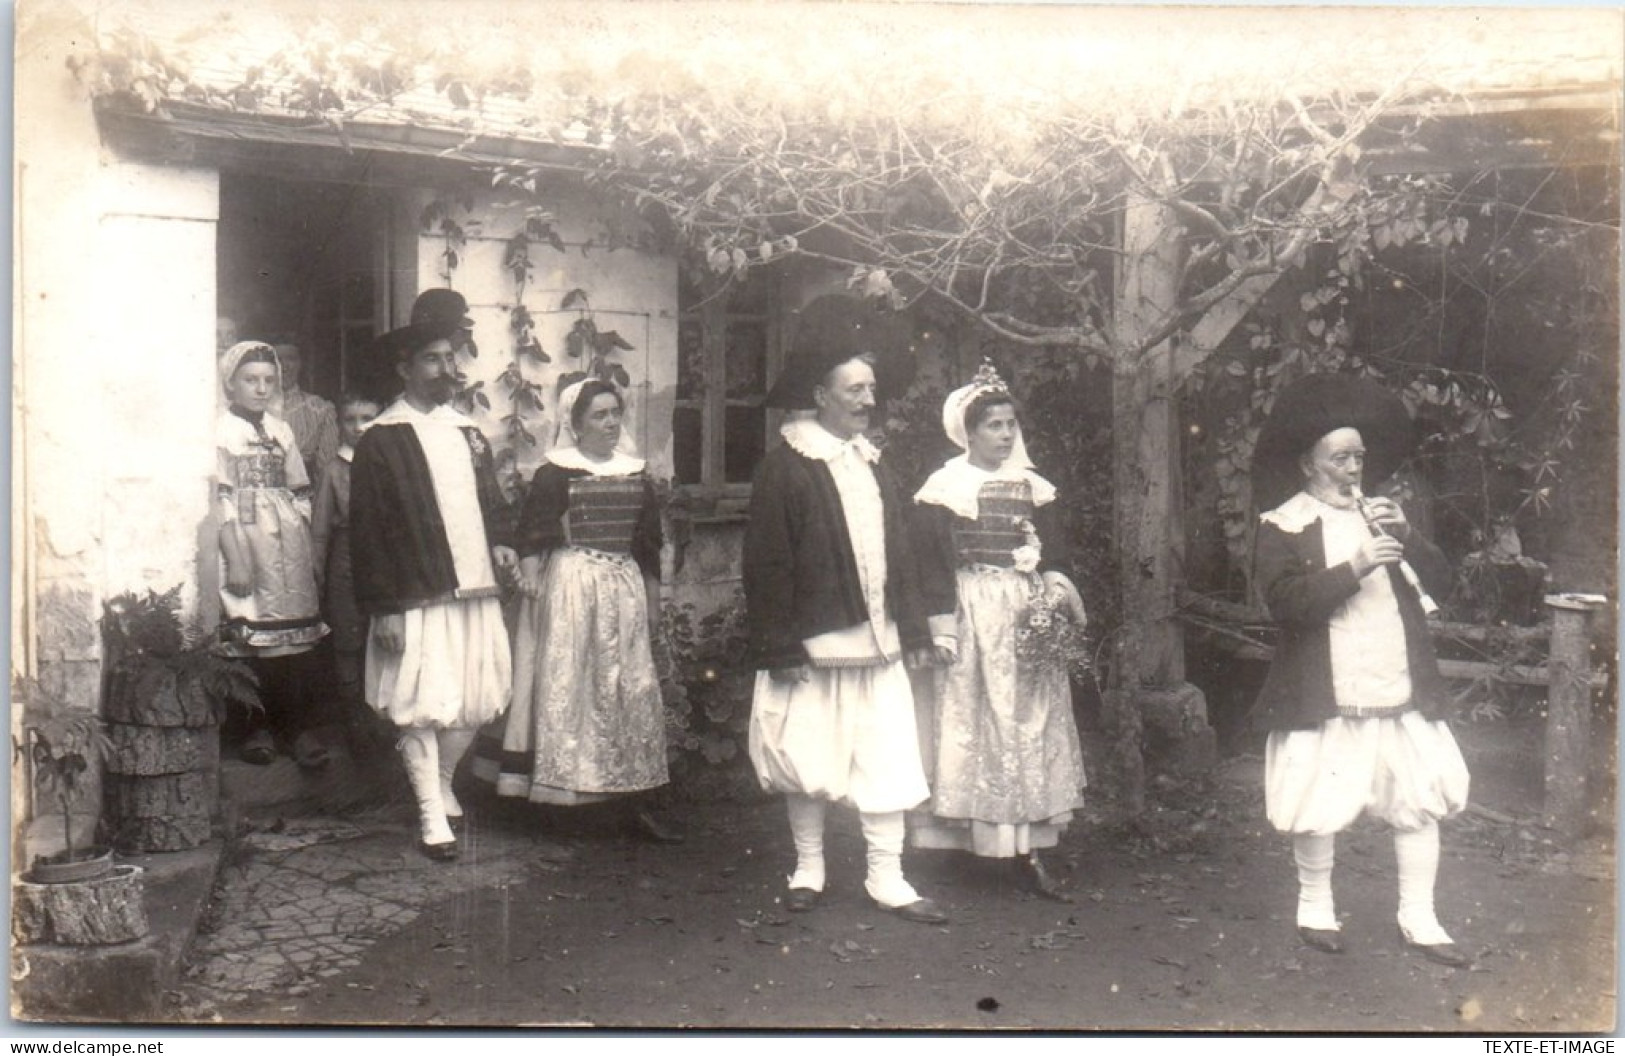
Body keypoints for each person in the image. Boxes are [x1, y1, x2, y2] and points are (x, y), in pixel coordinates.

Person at [1250, 373, 1472, 968]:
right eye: (1340, 457)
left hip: (1395, 681)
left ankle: (1419, 917)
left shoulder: (1384, 517)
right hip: (1327, 687)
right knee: (1316, 796)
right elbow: (1286, 605)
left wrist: (1408, 540)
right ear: (1307, 464)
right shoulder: (1283, 525)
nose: (1353, 468)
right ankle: (1315, 906)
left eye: (1359, 457)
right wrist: (1354, 566)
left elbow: (1444, 587)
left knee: (1419, 794)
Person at [743, 298, 947, 925]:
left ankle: (887, 875)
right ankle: (809, 867)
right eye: (854, 389)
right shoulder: (787, 467)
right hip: (815, 645)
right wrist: (778, 646)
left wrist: (913, 630)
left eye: (872, 389)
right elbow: (768, 563)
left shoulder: (873, 463)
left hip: (878, 644)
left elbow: (901, 555)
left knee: (886, 756)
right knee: (808, 757)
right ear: (820, 395)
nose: (867, 401)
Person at [908, 360, 1087, 901]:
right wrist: (940, 626)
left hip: (1024, 612)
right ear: (968, 430)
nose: (1005, 435)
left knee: (1028, 719)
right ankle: (973, 842)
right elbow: (929, 563)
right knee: (975, 715)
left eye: (1010, 425)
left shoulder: (1033, 486)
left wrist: (1052, 593)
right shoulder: (947, 486)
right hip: (974, 611)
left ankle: (1028, 843)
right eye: (993, 425)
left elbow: (1056, 554)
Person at [472, 378, 679, 842]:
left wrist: (652, 604)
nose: (610, 424)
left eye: (614, 414)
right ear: (577, 423)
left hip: (621, 588)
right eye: (599, 416)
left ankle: (631, 799)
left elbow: (647, 545)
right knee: (570, 688)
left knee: (626, 689)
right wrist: (531, 587)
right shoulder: (556, 473)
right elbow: (532, 535)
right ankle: (560, 802)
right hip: (570, 588)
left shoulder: (634, 472)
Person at [349, 319, 515, 861]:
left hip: (475, 590)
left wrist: (505, 544)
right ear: (404, 369)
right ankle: (428, 813)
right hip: (414, 595)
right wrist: (385, 607)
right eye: (432, 359)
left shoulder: (468, 432)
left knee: (472, 701)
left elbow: (491, 504)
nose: (446, 369)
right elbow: (369, 529)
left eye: (450, 358)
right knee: (419, 703)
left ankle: (443, 779)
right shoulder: (382, 439)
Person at [214, 341, 331, 767]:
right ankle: (254, 729)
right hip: (245, 541)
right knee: (251, 640)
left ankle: (296, 729)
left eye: (268, 380)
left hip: (287, 545)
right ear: (231, 383)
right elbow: (220, 498)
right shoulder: (222, 431)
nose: (261, 389)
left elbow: (300, 487)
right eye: (250, 380)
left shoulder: (281, 429)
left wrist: (300, 536)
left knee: (292, 642)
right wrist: (237, 556)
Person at [311, 393, 386, 757]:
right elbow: (321, 529)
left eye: (368, 418)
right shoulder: (334, 471)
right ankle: (354, 721)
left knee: (383, 637)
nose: (359, 428)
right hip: (346, 562)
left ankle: (381, 719)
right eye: (350, 420)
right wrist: (319, 577)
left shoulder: (389, 465)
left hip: (385, 563)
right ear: (339, 424)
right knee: (349, 640)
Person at [270, 337, 340, 487]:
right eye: (277, 359)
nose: (284, 367)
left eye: (291, 359)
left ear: (301, 363)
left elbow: (326, 469)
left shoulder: (320, 409)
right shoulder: (253, 407)